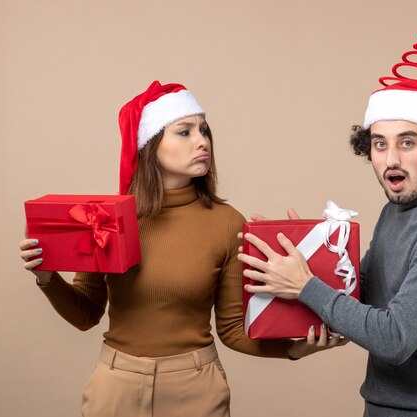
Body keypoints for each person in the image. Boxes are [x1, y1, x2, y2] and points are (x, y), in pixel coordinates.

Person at [19, 80, 343, 417]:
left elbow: (232, 329)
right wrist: (47, 278)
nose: (202, 141)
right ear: (150, 145)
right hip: (115, 388)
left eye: (204, 130)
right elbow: (86, 315)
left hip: (196, 388)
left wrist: (295, 350)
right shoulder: (104, 219)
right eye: (184, 132)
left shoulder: (226, 222)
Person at [239, 28, 417, 416]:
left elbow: (394, 338)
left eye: (407, 142)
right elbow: (359, 296)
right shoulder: (397, 211)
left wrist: (306, 285)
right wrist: (313, 248)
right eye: (379, 143)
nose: (391, 158)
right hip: (382, 406)